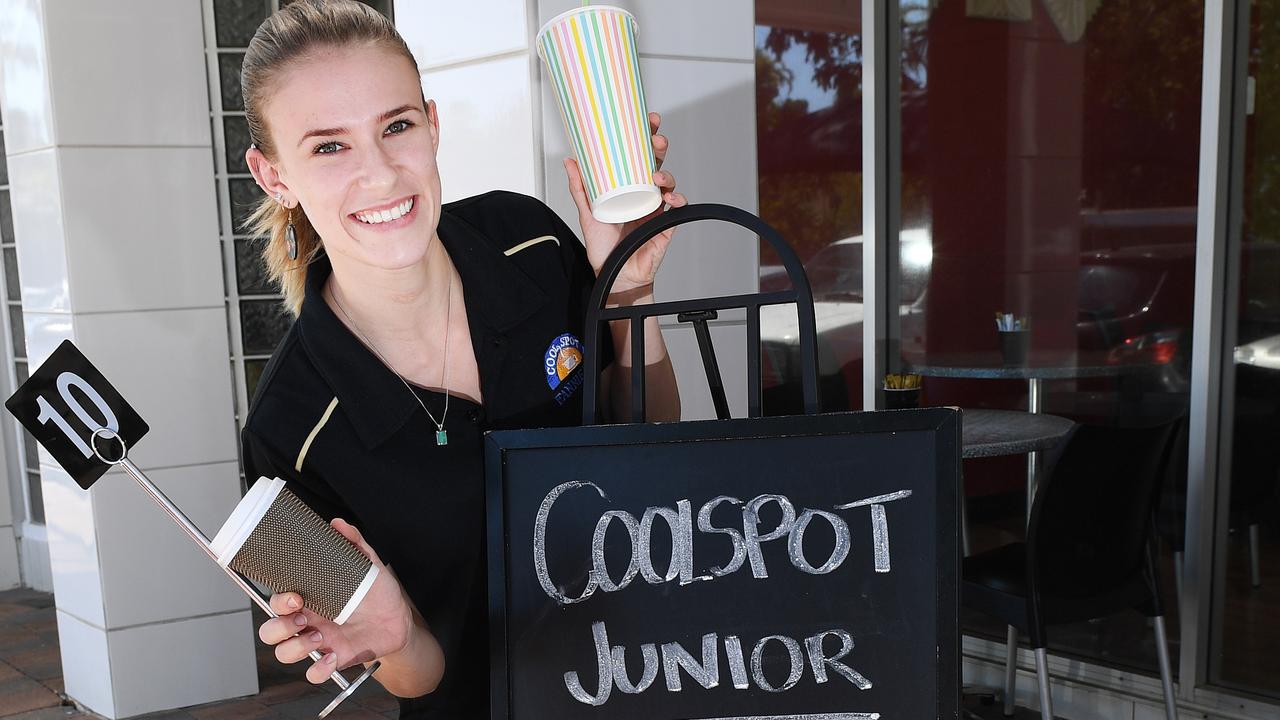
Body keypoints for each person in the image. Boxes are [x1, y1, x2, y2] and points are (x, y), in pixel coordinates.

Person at [235, 1, 684, 717]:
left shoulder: (528, 241)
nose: (381, 174)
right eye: (328, 147)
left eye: (397, 126)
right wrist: (396, 634)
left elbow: (654, 439)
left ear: (432, 123)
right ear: (273, 175)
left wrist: (629, 287)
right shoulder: (287, 431)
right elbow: (419, 678)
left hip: (654, 680)